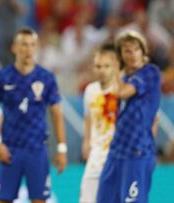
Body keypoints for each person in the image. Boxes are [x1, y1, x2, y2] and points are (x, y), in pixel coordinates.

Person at [0, 28, 67, 203]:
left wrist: (62, 149)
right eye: (24, 44)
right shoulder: (3, 76)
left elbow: (57, 114)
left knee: (39, 200)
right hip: (9, 149)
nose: (28, 49)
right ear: (14, 48)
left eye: (32, 45)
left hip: (36, 149)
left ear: (37, 47)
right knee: (3, 199)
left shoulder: (46, 78)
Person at [97, 31, 161, 203]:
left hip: (137, 153)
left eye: (136, 49)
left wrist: (115, 69)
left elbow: (122, 93)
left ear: (143, 51)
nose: (132, 55)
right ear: (121, 55)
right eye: (126, 51)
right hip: (116, 151)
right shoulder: (123, 78)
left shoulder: (150, 73)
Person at [79, 43, 119, 203]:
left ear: (116, 65)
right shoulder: (90, 90)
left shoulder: (123, 90)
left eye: (106, 66)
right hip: (97, 154)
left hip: (118, 155)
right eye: (98, 66)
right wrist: (86, 141)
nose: (101, 70)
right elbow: (88, 117)